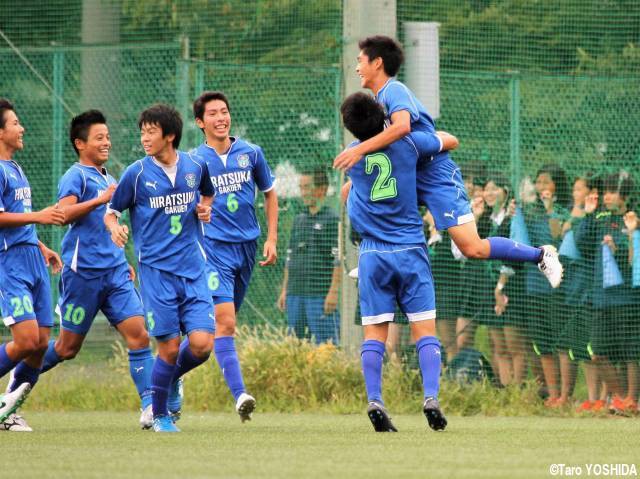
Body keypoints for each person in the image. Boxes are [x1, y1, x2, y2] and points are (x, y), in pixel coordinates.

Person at [333, 35, 563, 288]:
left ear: (377, 63)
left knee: (472, 248)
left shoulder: (393, 90)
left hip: (434, 176)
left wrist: (359, 150)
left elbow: (402, 128)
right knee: (349, 192)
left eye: (360, 61)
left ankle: (541, 255)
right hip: (407, 173)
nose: (356, 68)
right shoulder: (376, 102)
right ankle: (373, 256)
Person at [28, 110, 154, 430]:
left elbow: (109, 225)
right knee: (66, 348)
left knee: (139, 335)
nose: (106, 142)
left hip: (114, 274)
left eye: (108, 136)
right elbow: (63, 214)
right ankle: (16, 382)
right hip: (82, 275)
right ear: (80, 143)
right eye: (99, 138)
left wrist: (122, 256)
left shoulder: (110, 178)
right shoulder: (76, 176)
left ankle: (151, 407)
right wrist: (99, 200)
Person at [340, 92, 458, 432]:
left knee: (375, 334)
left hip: (373, 255)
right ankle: (431, 397)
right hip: (409, 249)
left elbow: (350, 192)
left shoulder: (352, 158)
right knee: (424, 331)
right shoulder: (408, 145)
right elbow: (451, 140)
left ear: (351, 129)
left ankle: (375, 399)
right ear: (383, 116)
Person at [105, 104, 215, 432]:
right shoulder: (136, 174)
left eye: (151, 131)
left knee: (201, 345)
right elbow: (111, 211)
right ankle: (161, 414)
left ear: (169, 135)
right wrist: (115, 228)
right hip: (156, 274)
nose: (144, 138)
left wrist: (204, 209)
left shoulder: (196, 166)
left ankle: (167, 381)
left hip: (193, 269)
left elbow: (207, 196)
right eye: (142, 132)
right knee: (167, 348)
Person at [190, 91, 278, 421]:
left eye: (224, 112)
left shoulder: (251, 153)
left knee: (213, 331)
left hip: (248, 248)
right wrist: (198, 212)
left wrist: (271, 238)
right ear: (200, 122)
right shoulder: (194, 162)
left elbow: (270, 196)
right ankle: (240, 395)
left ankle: (170, 370)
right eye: (212, 114)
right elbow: (188, 205)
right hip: (213, 249)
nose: (221, 118)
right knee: (226, 323)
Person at [0, 98, 65, 430]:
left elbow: (18, 221)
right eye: (14, 123)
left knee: (39, 345)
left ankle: (6, 411)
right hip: (10, 263)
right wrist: (39, 216)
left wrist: (40, 245)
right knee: (25, 340)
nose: (21, 127)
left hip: (31, 258)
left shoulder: (15, 167)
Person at [575, 172, 639, 414]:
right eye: (607, 192)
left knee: (632, 353)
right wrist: (588, 214)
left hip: (629, 299)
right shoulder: (599, 218)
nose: (608, 196)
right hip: (601, 299)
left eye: (613, 192)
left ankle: (632, 400)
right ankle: (621, 397)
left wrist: (619, 248)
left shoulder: (633, 220)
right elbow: (582, 245)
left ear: (625, 195)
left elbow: (635, 261)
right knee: (598, 352)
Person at [514, 164, 571, 405]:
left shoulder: (564, 210)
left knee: (561, 341)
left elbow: (558, 237)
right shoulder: (530, 211)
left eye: (546, 183)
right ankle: (553, 393)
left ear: (557, 185)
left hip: (558, 287)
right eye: (539, 183)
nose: (542, 188)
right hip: (534, 285)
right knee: (542, 342)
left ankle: (566, 396)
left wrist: (550, 210)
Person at [278, 168, 341, 344]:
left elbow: (338, 260)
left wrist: (333, 292)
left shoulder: (332, 220)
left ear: (321, 189)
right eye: (301, 187)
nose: (303, 192)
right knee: (296, 346)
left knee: (325, 346)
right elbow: (289, 258)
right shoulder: (299, 220)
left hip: (319, 295)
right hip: (295, 294)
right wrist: (285, 290)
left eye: (307, 187)